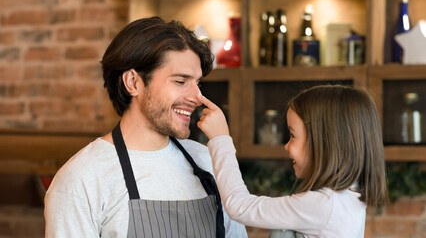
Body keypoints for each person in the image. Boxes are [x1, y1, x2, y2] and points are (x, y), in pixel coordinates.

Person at [44, 17, 247, 238]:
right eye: (180, 82)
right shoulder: (81, 180)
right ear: (133, 82)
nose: (197, 98)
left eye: (197, 83)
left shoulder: (209, 161)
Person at [197, 85, 389, 237]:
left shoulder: (323, 205)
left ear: (323, 141)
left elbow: (239, 206)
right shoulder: (349, 195)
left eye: (292, 135)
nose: (286, 146)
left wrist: (220, 138)